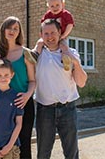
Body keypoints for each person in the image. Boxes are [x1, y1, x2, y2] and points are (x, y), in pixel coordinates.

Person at [0, 16, 36, 159]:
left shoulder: (26, 53)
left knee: (23, 146)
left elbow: (32, 81)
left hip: (22, 103)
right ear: (3, 30)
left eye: (16, 28)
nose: (12, 31)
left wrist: (27, 96)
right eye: (9, 27)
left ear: (19, 32)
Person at [34, 19, 87, 159]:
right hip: (44, 110)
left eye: (53, 32)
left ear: (59, 33)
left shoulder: (70, 53)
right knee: (43, 153)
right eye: (46, 33)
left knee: (72, 152)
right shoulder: (36, 55)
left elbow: (81, 82)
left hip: (68, 109)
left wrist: (74, 60)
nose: (50, 36)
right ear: (41, 35)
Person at [34, 0, 75, 70]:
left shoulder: (66, 14)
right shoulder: (47, 15)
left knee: (64, 47)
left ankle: (65, 59)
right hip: (49, 36)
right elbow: (43, 25)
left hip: (61, 36)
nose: (54, 7)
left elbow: (70, 25)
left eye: (57, 5)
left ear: (63, 5)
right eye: (52, 6)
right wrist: (43, 36)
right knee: (39, 43)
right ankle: (35, 55)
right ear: (48, 7)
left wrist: (63, 35)